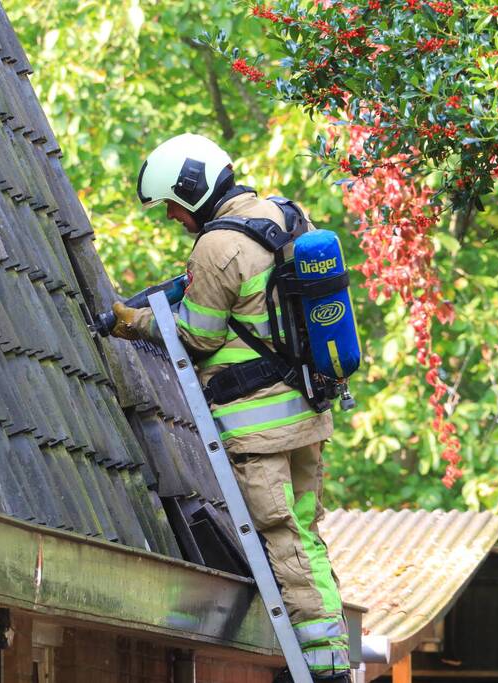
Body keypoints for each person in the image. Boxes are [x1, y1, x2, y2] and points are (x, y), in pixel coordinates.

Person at [109, 133, 350, 682]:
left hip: (258, 425)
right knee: (305, 532)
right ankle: (330, 645)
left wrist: (132, 322)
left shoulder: (215, 245)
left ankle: (322, 667)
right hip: (307, 410)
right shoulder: (284, 216)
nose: (172, 217)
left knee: (283, 536)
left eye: (172, 204)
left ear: (190, 190)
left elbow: (198, 335)